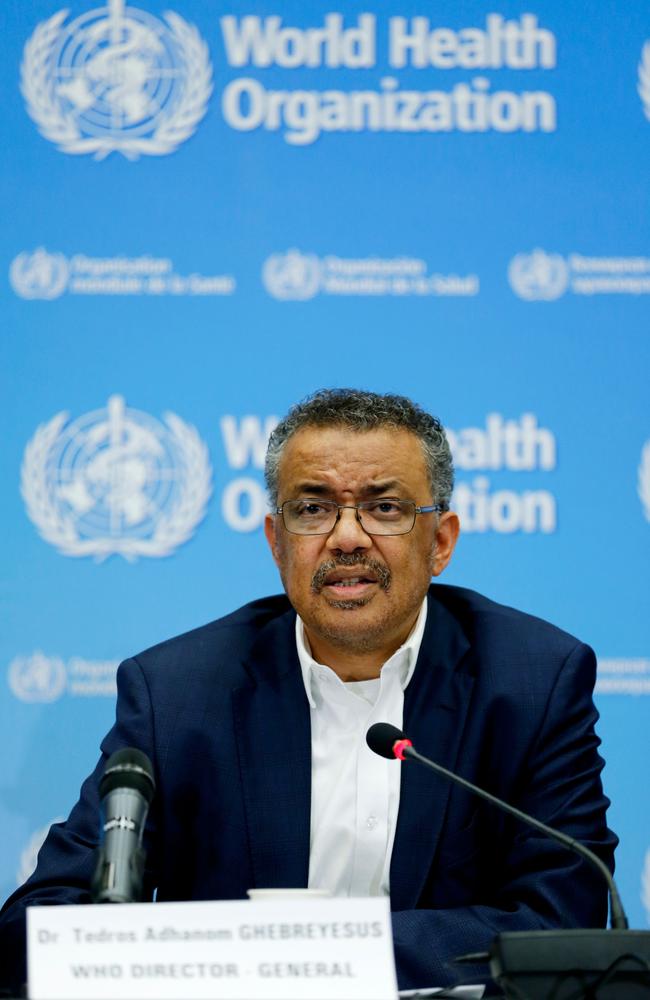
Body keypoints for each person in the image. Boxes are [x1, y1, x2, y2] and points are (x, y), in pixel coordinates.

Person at [0, 388, 616, 993]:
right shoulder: (178, 693)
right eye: (313, 509)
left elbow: (563, 923)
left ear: (442, 542)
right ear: (276, 541)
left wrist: (310, 956)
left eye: (385, 508)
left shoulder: (533, 682)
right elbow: (39, 924)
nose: (347, 537)